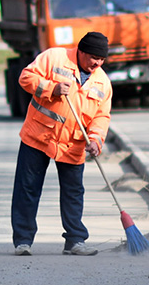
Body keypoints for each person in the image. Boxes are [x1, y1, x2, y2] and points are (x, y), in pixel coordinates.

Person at [10, 31, 113, 256]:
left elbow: (101, 117)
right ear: (81, 51)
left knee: (74, 192)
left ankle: (75, 241)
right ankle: (23, 241)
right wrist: (51, 89)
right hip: (38, 136)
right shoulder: (54, 58)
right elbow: (25, 78)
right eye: (94, 57)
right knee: (27, 188)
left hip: (73, 144)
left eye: (102, 59)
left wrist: (95, 140)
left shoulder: (102, 82)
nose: (97, 63)